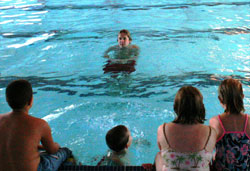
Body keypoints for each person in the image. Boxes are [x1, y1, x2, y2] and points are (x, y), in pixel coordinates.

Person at [0, 79, 72, 171]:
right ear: (30, 101)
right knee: (64, 152)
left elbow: (13, 145)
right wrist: (57, 146)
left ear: (7, 99)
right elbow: (51, 150)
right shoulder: (40, 124)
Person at [155, 86, 217, 171]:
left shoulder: (163, 129)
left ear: (176, 106)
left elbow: (162, 150)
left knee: (159, 156)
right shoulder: (210, 132)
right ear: (200, 107)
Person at [209, 78, 250, 170]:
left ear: (220, 99)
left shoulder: (216, 122)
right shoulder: (249, 121)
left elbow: (208, 151)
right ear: (242, 97)